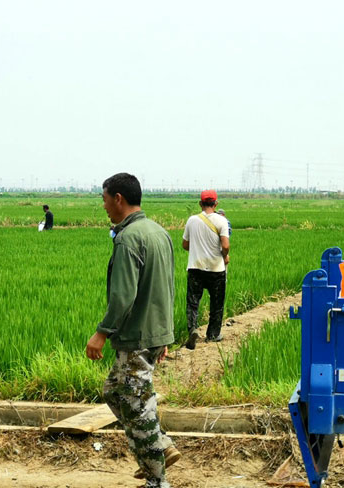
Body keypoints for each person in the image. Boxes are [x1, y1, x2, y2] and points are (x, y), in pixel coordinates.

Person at [86, 173, 179, 488]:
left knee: (137, 407)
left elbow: (123, 296)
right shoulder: (158, 232)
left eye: (104, 199)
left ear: (118, 199)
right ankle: (159, 445)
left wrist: (102, 332)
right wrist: (164, 335)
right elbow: (167, 287)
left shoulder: (128, 238)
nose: (103, 206)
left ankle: (157, 479)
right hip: (153, 333)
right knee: (115, 391)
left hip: (137, 336)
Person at [182, 189, 230, 349]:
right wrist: (225, 255)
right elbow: (225, 245)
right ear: (216, 204)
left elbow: (185, 245)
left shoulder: (192, 220)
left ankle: (193, 330)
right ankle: (213, 334)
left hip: (195, 268)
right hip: (216, 269)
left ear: (200, 204)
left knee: (193, 302)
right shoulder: (222, 221)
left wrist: (198, 248)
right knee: (217, 303)